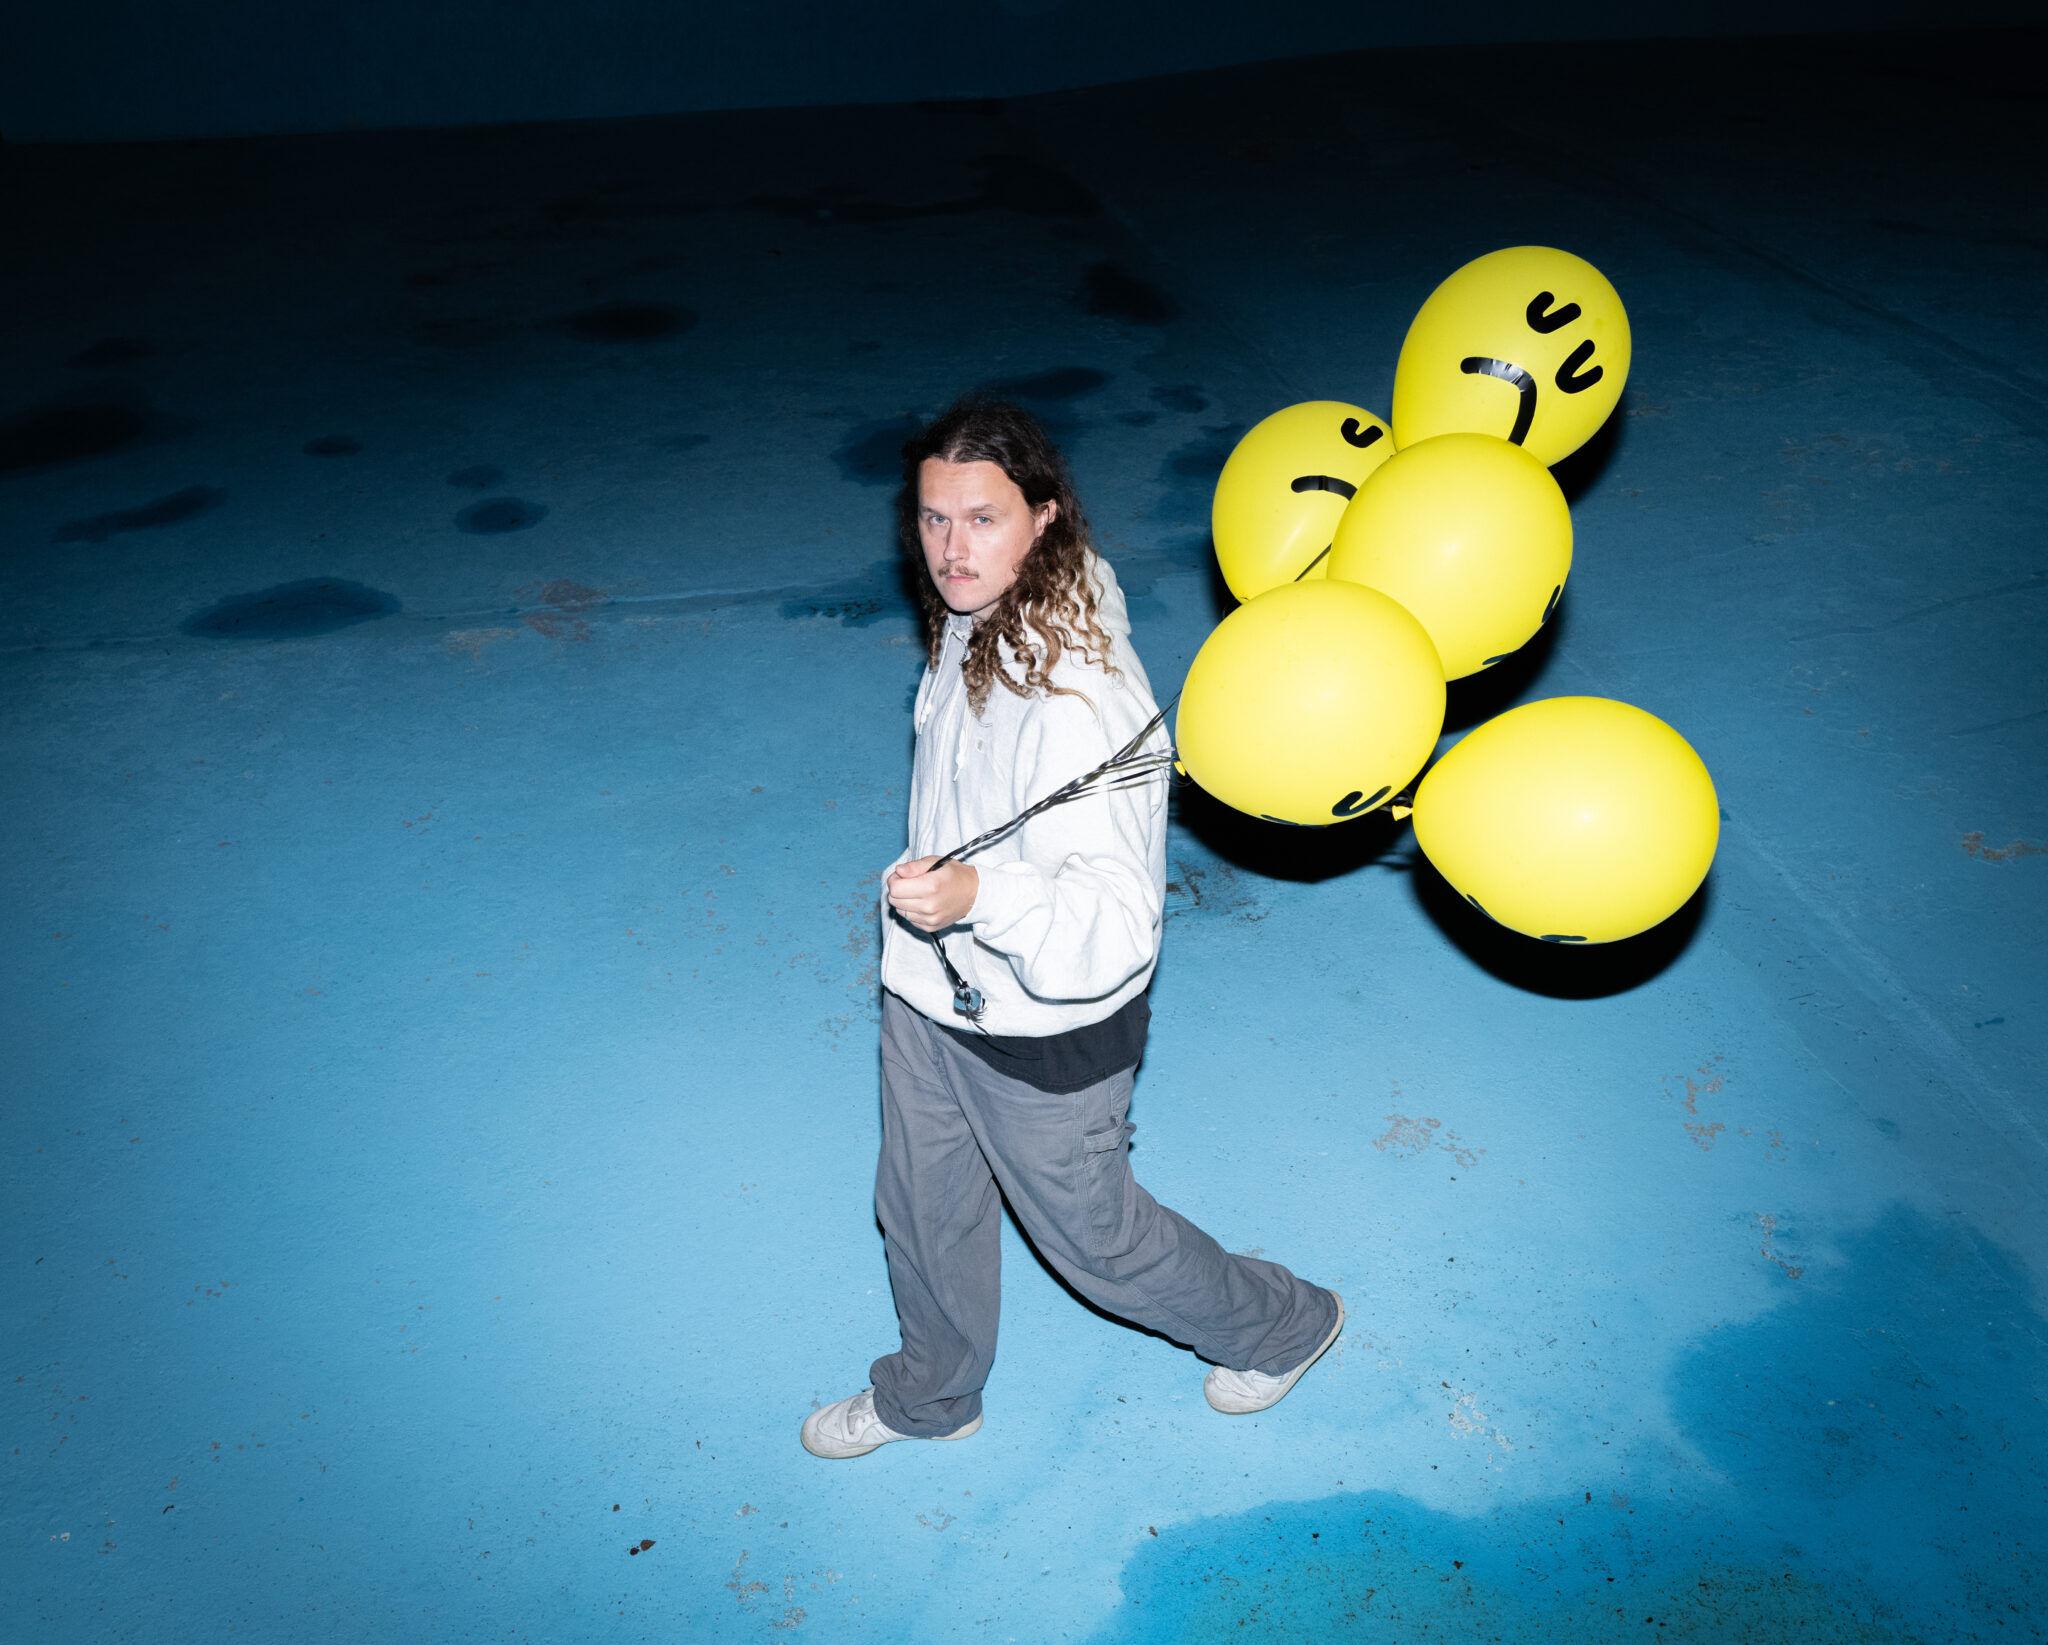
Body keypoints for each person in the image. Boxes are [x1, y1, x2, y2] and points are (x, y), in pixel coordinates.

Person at [801, 398, 1342, 1459]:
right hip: (929, 990)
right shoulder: (974, 611)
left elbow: (1116, 929)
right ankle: (931, 1396)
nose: (952, 550)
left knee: (1097, 1243)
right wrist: (941, 926)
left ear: (1042, 518)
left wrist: (979, 898)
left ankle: (1284, 1324)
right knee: (921, 1207)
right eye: (933, 518)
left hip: (1046, 1035)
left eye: (983, 519)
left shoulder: (1085, 700)